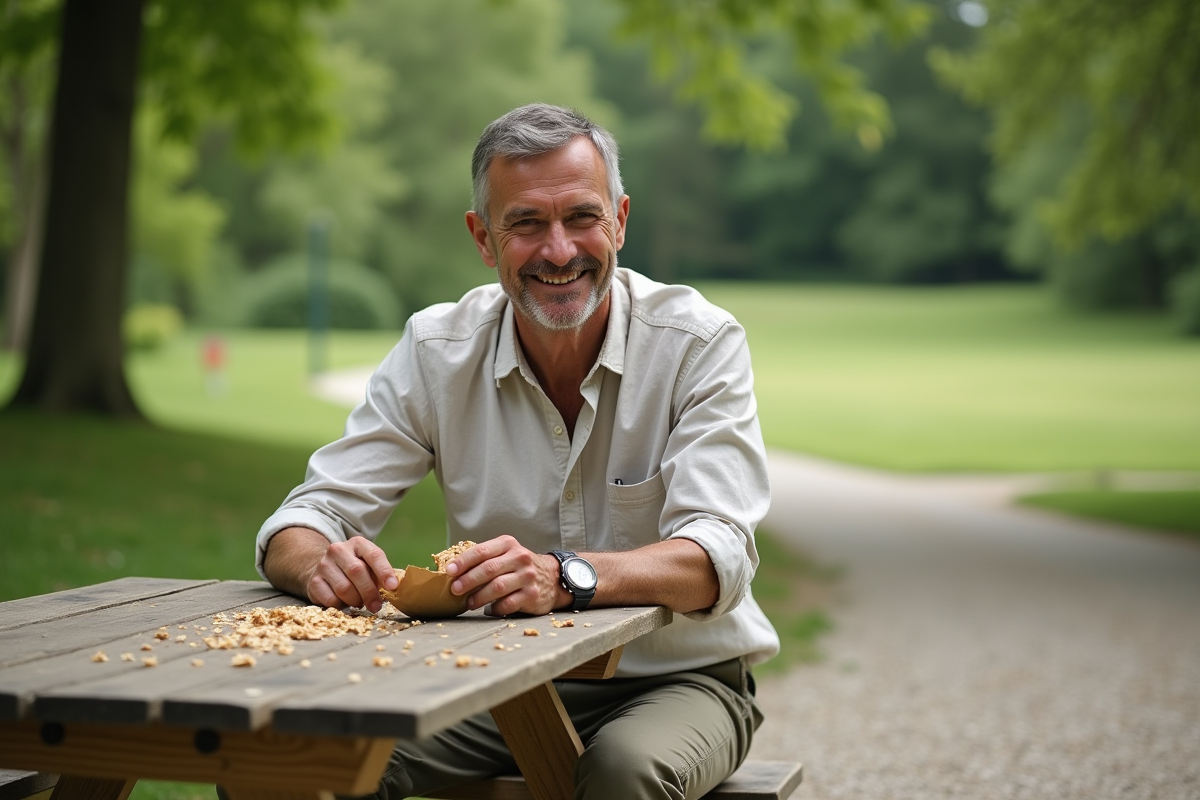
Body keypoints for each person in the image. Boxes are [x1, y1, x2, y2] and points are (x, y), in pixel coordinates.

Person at [256, 103, 780, 800]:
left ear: (620, 219)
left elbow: (716, 555)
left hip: (679, 679)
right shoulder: (436, 348)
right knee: (296, 764)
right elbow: (306, 518)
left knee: (624, 774)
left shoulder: (697, 343)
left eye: (582, 218)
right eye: (527, 223)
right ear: (483, 237)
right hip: (495, 681)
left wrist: (566, 575)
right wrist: (323, 562)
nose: (559, 251)